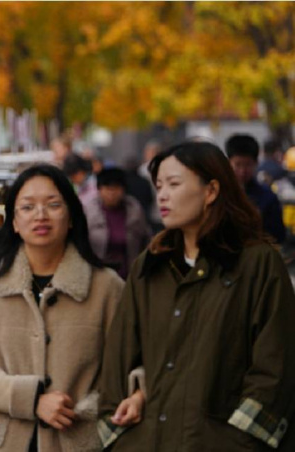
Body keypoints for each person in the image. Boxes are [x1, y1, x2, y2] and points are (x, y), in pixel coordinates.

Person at [98, 141, 295, 451]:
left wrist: (238, 442)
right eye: (159, 185)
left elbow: (275, 369)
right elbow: (117, 364)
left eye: (174, 184)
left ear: (211, 190)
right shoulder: (150, 267)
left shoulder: (257, 264)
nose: (162, 194)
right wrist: (120, 438)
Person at [0, 164, 124, 452]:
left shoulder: (107, 288)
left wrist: (85, 408)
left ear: (71, 217)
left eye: (53, 204)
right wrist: (31, 399)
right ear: (14, 222)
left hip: (77, 440)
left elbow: (123, 369)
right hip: (0, 444)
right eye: (28, 207)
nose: (40, 215)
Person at [82, 168, 151, 278]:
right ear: (99, 189)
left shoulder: (135, 210)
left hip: (130, 275)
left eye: (116, 188)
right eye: (107, 188)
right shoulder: (88, 212)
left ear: (124, 189)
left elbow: (146, 239)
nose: (112, 193)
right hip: (97, 275)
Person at [225, 134, 286, 244]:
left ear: (256, 163)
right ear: (228, 163)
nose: (243, 171)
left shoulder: (268, 197)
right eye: (238, 165)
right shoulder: (220, 195)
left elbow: (277, 235)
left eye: (248, 164)